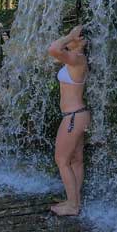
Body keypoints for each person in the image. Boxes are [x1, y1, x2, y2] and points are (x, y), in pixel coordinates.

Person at [47, 25, 90, 216]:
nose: (70, 37)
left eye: (75, 34)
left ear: (82, 41)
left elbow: (53, 49)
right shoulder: (76, 59)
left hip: (73, 117)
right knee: (75, 160)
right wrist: (72, 37)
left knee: (61, 160)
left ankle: (73, 206)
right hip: (78, 115)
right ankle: (74, 200)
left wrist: (69, 36)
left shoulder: (77, 59)